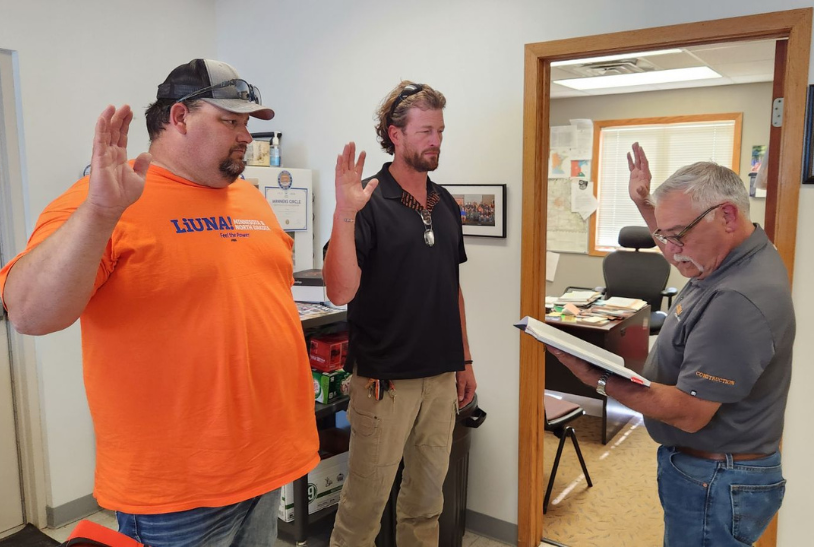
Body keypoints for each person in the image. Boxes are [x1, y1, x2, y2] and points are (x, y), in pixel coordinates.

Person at [0, 59, 320, 546]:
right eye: (230, 121)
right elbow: (29, 313)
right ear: (179, 117)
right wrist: (102, 212)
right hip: (178, 489)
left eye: (248, 123)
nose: (245, 136)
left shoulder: (251, 199)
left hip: (268, 462)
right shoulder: (100, 200)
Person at [549, 142, 795, 547]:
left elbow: (689, 413)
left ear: (728, 216)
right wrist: (645, 205)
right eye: (665, 235)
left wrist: (596, 376)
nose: (671, 250)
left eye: (678, 235)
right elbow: (679, 243)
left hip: (715, 479)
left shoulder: (736, 298)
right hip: (713, 469)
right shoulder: (736, 254)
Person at [323, 81, 477, 547]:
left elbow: (452, 289)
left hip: (440, 378)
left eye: (441, 131)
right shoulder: (366, 202)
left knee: (426, 506)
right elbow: (339, 289)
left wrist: (464, 362)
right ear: (395, 135)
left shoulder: (446, 203)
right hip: (384, 381)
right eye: (425, 131)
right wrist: (344, 213)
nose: (436, 141)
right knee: (363, 509)